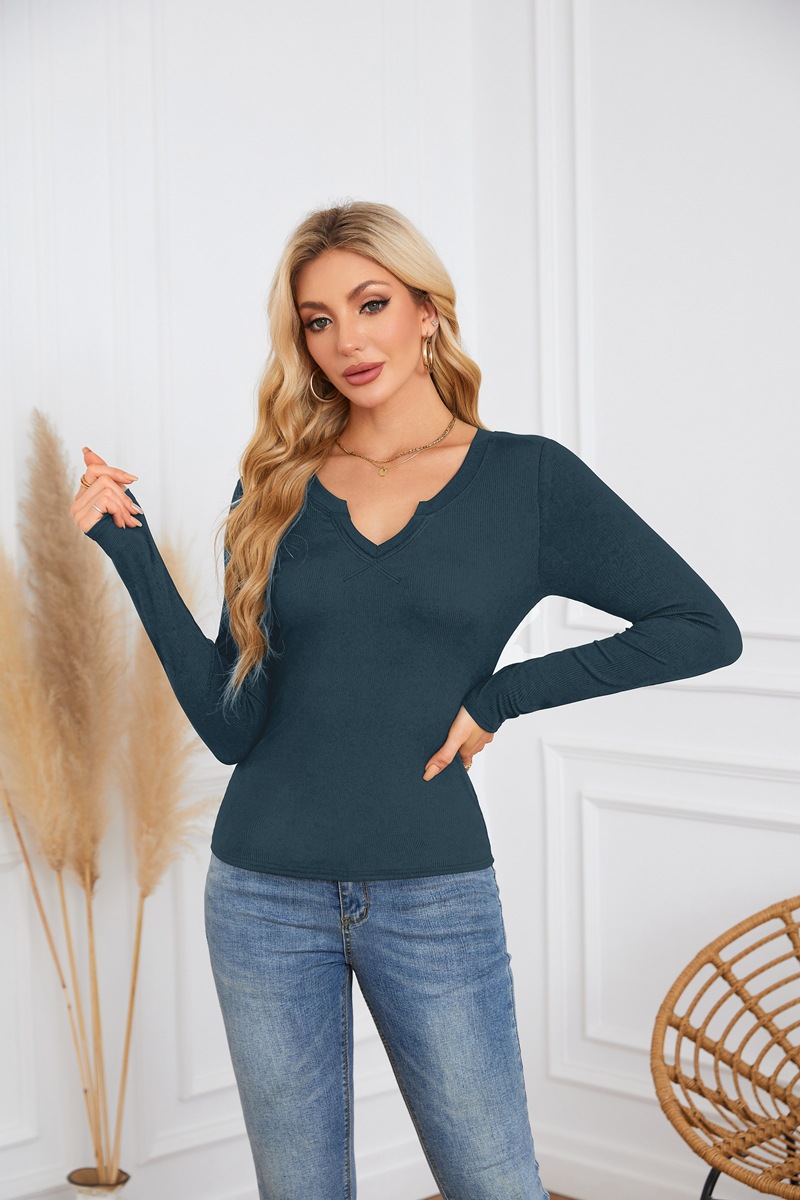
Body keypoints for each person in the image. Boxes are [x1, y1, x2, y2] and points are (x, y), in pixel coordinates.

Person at [70, 200, 742, 1200]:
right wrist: (128, 549)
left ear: (426, 310)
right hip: (260, 895)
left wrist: (502, 695)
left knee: (494, 1182)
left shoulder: (529, 480)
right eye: (318, 320)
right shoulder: (273, 487)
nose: (346, 339)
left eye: (371, 303)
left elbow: (700, 626)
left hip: (434, 896)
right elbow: (230, 726)